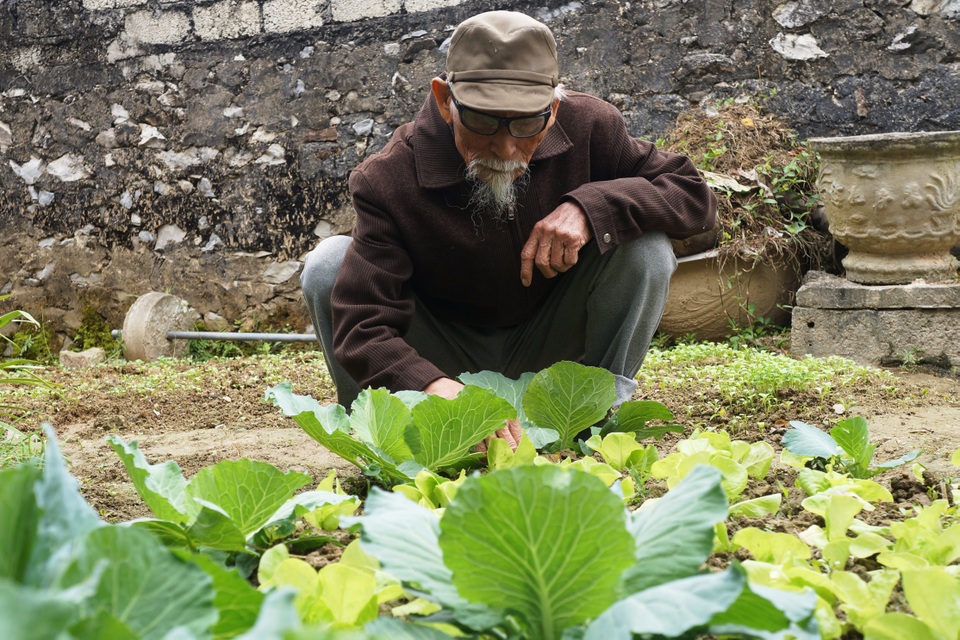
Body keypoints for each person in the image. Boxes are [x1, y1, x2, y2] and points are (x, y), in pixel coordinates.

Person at [302, 10, 716, 450]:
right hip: (440, 358)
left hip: (552, 351)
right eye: (482, 121)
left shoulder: (592, 126)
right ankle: (383, 436)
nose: (504, 148)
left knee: (646, 248)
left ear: (554, 109)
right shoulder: (388, 177)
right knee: (328, 265)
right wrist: (432, 385)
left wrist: (592, 206)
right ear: (445, 100)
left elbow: (693, 196)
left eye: (526, 123)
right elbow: (363, 326)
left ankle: (593, 420)